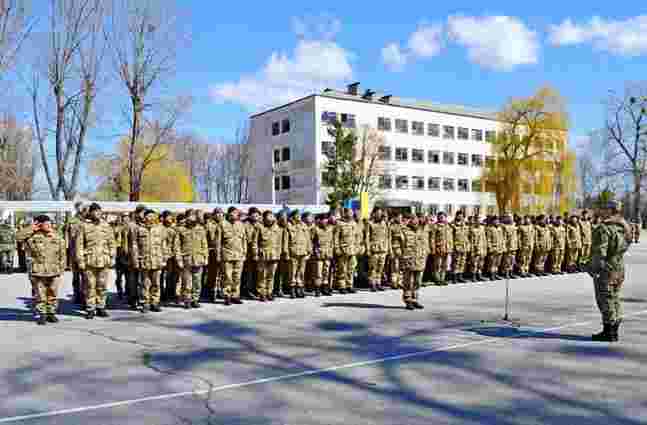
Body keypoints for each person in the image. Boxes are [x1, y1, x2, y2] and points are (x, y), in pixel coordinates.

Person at [588, 201, 632, 342]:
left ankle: (608, 332)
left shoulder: (604, 228)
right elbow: (627, 244)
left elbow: (600, 252)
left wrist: (594, 268)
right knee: (615, 297)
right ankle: (614, 330)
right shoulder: (624, 227)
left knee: (605, 299)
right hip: (619, 267)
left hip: (606, 268)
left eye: (604, 208)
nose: (602, 211)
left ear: (610, 210)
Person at [18, 215, 66, 325]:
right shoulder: (31, 236)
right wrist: (31, 228)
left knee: (53, 292)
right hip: (38, 269)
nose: (49, 225)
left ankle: (51, 313)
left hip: (54, 269)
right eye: (46, 223)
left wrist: (62, 268)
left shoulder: (56, 236)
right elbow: (18, 237)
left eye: (50, 223)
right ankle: (42, 314)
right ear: (39, 224)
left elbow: (62, 254)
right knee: (40, 293)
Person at [76, 203, 115, 319]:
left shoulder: (106, 226)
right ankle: (90, 308)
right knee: (89, 286)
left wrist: (112, 257)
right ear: (91, 212)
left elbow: (112, 243)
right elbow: (79, 245)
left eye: (99, 211)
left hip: (104, 259)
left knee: (102, 285)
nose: (98, 213)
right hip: (89, 260)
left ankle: (101, 307)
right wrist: (80, 260)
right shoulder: (84, 226)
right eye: (95, 211)